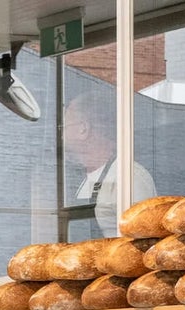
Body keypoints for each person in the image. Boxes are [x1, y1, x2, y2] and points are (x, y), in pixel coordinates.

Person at [62, 95, 157, 237]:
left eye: (64, 126)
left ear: (83, 129)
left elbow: (144, 238)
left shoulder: (129, 177)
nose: (61, 135)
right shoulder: (85, 179)